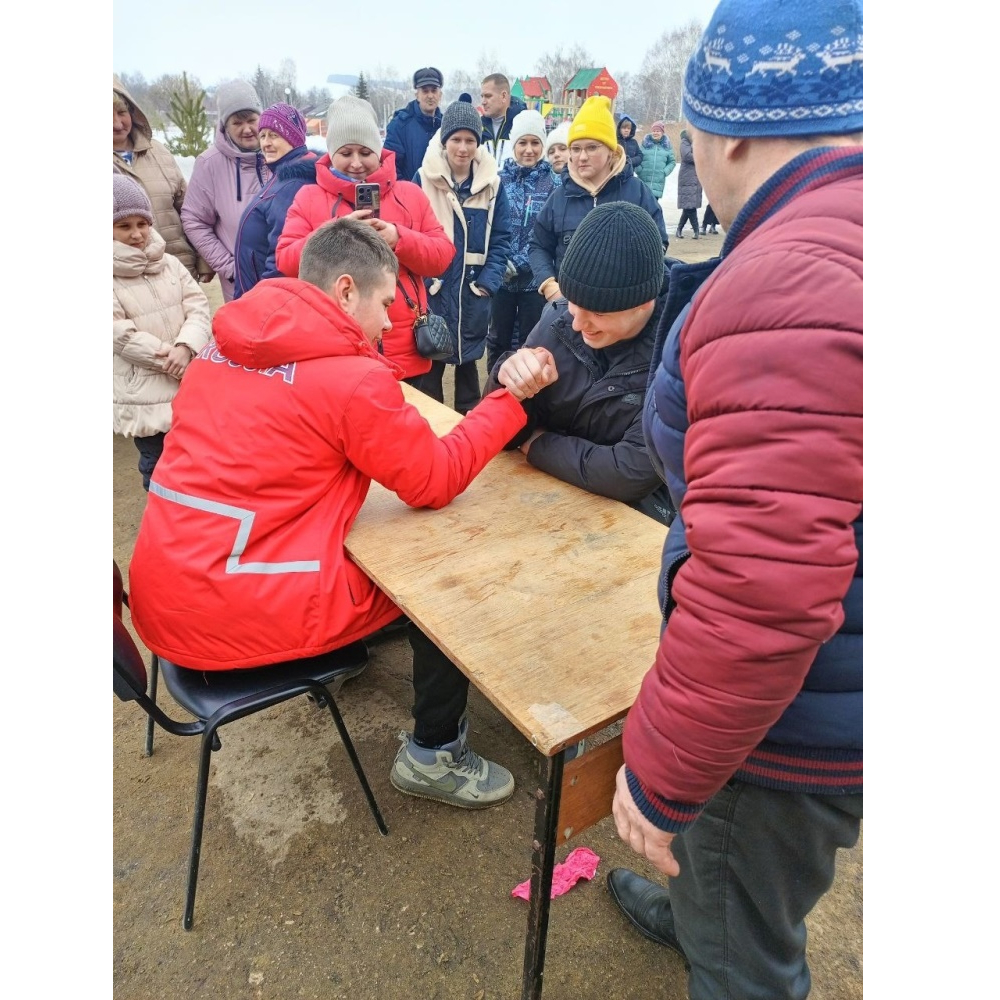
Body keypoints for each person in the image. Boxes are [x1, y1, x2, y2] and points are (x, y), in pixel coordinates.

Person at [606, 2, 863, 998]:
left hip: (790, 722)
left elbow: (763, 588)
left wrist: (662, 776)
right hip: (844, 669)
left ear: (730, 135)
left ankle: (720, 931)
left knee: (744, 956)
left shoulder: (786, 277)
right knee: (737, 884)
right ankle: (700, 905)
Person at [127, 218, 559, 810]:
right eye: (387, 303)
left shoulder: (217, 350)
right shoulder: (349, 380)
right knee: (439, 579)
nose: (392, 322)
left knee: (375, 544)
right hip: (225, 615)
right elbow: (435, 480)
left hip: (166, 593)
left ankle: (357, 658)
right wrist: (510, 401)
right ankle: (434, 754)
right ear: (346, 291)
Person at [485, 202, 674, 526]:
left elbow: (630, 473)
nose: (577, 324)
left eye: (598, 312)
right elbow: (500, 432)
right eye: (574, 302)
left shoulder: (680, 354)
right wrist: (508, 381)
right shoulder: (559, 319)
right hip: (546, 503)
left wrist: (538, 444)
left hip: (633, 525)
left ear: (644, 304)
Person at [276, 95, 455, 388]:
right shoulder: (309, 198)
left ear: (379, 150)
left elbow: (442, 256)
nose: (356, 163)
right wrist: (336, 233)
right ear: (332, 152)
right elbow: (286, 260)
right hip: (335, 350)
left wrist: (399, 238)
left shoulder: (409, 194)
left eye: (365, 152)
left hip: (407, 351)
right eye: (346, 153)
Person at [113, 174, 211, 491]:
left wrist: (186, 346)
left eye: (142, 224)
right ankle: (161, 512)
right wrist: (170, 359)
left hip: (187, 379)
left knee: (197, 456)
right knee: (156, 462)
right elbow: (119, 333)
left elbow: (198, 306)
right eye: (123, 226)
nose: (136, 234)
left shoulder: (169, 263)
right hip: (145, 391)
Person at [413, 101, 512, 414]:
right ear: (445, 141)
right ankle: (432, 431)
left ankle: (468, 431)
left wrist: (487, 283)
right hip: (435, 291)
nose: (463, 147)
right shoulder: (423, 180)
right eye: (456, 139)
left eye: (470, 140)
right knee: (430, 372)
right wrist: (423, 282)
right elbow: (411, 234)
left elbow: (501, 238)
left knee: (469, 371)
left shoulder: (492, 186)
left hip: (472, 294)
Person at [529, 95, 667, 306]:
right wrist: (549, 286)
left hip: (622, 311)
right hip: (568, 310)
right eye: (576, 149)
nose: (582, 156)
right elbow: (538, 245)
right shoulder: (559, 198)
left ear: (611, 151)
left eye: (592, 147)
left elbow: (658, 245)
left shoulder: (637, 193)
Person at [487, 109, 560, 375]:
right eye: (523, 143)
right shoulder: (498, 180)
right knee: (498, 339)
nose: (529, 150)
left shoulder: (553, 184)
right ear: (514, 145)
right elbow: (491, 226)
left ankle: (526, 391)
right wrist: (500, 260)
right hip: (501, 280)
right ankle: (495, 386)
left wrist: (520, 262)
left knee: (531, 341)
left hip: (534, 282)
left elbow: (547, 235)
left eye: (535, 143)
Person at [181, 80, 267, 303]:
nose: (247, 129)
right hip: (241, 288)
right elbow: (194, 220)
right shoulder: (210, 164)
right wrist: (230, 268)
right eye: (237, 122)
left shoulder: (281, 155)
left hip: (289, 282)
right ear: (224, 126)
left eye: (252, 120)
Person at [113, 75, 202, 280]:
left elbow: (190, 209)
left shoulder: (158, 151)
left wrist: (202, 259)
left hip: (179, 270)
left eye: (122, 112)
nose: (117, 123)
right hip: (125, 282)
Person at [233, 103, 316, 298]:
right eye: (262, 136)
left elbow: (280, 260)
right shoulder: (282, 176)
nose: (266, 143)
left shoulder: (293, 185)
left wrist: (261, 301)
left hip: (264, 299)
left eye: (274, 135)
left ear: (293, 138)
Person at [383, 67, 444, 182]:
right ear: (417, 95)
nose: (430, 96)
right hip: (410, 191)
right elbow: (390, 167)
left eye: (434, 90)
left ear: (440, 94)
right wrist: (408, 191)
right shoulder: (399, 125)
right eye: (425, 91)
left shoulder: (446, 125)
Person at [479, 74, 528, 168]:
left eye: (488, 96)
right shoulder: (479, 128)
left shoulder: (525, 125)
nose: (483, 102)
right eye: (482, 97)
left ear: (503, 96)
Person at [636, 120, 676, 203]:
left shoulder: (667, 146)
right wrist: (639, 170)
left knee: (653, 207)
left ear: (662, 132)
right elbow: (637, 157)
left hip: (658, 182)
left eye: (658, 131)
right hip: (643, 180)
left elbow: (672, 162)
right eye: (654, 131)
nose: (655, 133)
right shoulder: (644, 144)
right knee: (641, 206)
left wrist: (664, 172)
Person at [675, 128, 702, 239]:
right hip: (687, 177)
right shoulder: (685, 142)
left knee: (689, 206)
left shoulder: (696, 142)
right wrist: (700, 156)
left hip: (695, 177)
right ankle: (696, 230)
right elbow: (687, 156)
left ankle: (679, 229)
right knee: (690, 206)